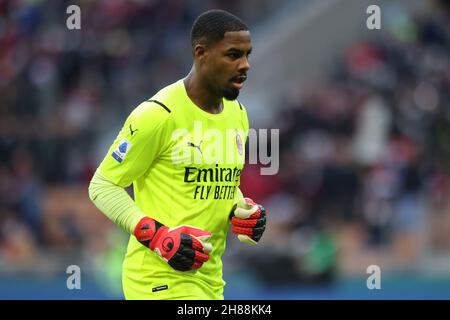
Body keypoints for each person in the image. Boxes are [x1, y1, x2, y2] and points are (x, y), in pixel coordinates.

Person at [88, 9, 266, 300]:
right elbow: (102, 185)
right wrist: (157, 236)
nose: (244, 65)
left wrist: (241, 210)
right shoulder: (158, 115)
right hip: (158, 281)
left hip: (209, 281)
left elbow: (219, 184)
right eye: (233, 55)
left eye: (248, 55)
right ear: (202, 53)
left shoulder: (238, 114)